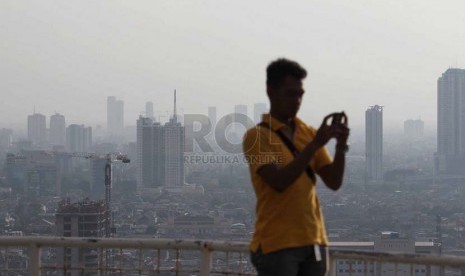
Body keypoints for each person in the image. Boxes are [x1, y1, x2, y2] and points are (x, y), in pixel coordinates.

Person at [242, 58, 350, 276]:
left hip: (313, 239)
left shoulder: (307, 132)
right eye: (290, 94)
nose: (297, 101)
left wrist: (340, 146)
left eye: (300, 95)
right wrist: (314, 146)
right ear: (271, 91)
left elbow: (333, 181)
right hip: (277, 243)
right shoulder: (258, 136)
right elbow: (278, 182)